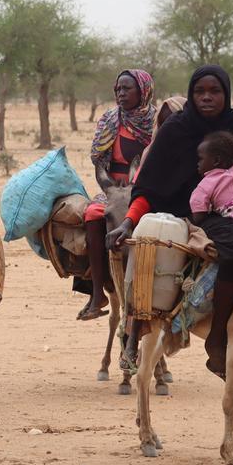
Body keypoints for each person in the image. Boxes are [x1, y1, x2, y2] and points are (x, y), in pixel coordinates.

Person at [108, 65, 233, 389]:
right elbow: (148, 188)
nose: (206, 97)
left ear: (226, 93)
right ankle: (216, 342)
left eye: (214, 91)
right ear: (191, 94)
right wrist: (128, 222)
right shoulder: (176, 129)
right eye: (199, 92)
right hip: (189, 216)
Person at [77, 70, 156, 321]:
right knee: (92, 213)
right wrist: (112, 188)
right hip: (112, 189)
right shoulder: (110, 120)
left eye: (127, 89)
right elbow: (100, 162)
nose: (121, 94)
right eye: (118, 89)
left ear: (143, 91)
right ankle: (97, 292)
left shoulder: (157, 122)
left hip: (148, 188)